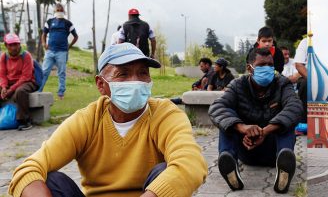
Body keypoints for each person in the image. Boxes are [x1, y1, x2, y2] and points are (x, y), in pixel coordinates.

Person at [8, 43, 208, 197]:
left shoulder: (165, 114)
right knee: (51, 180)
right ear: (101, 85)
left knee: (163, 170)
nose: (136, 81)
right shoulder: (87, 120)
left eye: (142, 73)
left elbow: (190, 162)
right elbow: (28, 169)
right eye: (123, 74)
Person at [208, 47, 302, 193]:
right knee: (227, 118)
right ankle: (228, 161)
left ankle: (284, 168)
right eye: (261, 66)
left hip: (275, 150)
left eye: (270, 65)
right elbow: (216, 108)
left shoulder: (282, 83)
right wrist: (242, 128)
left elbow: (295, 107)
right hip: (246, 148)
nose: (267, 69)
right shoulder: (238, 85)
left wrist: (265, 131)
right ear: (249, 68)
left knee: (287, 119)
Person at [0, 34, 37, 131]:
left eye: (16, 44)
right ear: (6, 45)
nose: (14, 48)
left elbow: (26, 77)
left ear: (19, 44)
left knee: (20, 91)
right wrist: (4, 87)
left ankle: (25, 121)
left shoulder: (26, 56)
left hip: (27, 82)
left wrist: (11, 90)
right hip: (10, 83)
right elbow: (2, 75)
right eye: (11, 45)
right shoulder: (3, 57)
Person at [40, 4, 78, 100]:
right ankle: (38, 90)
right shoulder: (49, 22)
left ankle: (61, 93)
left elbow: (75, 36)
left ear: (64, 11)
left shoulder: (68, 23)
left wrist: (69, 46)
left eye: (61, 10)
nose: (59, 11)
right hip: (50, 51)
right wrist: (44, 44)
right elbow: (44, 34)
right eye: (58, 10)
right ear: (55, 11)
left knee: (61, 72)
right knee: (44, 71)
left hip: (62, 52)